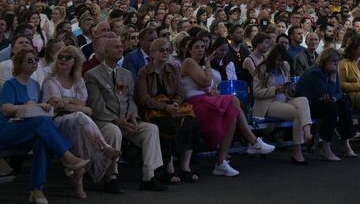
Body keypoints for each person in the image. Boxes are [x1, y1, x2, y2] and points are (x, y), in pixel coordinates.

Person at [0, 48, 92, 204]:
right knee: (43, 122)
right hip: (4, 130)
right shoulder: (10, 85)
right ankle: (67, 157)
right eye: (30, 60)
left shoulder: (36, 85)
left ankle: (37, 190)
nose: (35, 63)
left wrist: (41, 106)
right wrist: (27, 106)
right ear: (19, 63)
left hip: (28, 129)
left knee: (42, 141)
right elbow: (6, 110)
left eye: (36, 60)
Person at [174, 32, 274, 177]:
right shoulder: (189, 62)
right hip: (194, 105)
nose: (201, 49)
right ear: (189, 50)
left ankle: (221, 162)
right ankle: (252, 141)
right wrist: (208, 64)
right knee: (232, 101)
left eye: (202, 47)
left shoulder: (200, 67)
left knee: (232, 113)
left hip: (206, 101)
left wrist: (210, 85)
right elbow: (206, 82)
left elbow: (212, 89)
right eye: (196, 47)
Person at [83, 30, 171, 191]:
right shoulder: (92, 75)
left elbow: (131, 98)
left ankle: (148, 176)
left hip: (126, 119)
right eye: (116, 47)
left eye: (120, 47)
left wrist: (132, 115)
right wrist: (117, 120)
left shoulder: (126, 74)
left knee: (151, 129)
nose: (120, 49)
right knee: (114, 130)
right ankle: (111, 176)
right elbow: (96, 105)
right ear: (106, 51)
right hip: (105, 121)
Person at [42, 44, 115, 195]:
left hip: (77, 124)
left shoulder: (79, 80)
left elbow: (83, 103)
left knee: (80, 133)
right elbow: (57, 106)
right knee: (81, 116)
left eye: (67, 57)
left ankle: (78, 180)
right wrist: (80, 107)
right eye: (60, 57)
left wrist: (67, 100)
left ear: (75, 61)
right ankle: (103, 147)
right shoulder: (51, 80)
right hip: (56, 122)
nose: (63, 60)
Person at [134, 37, 198, 184]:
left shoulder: (173, 68)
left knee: (190, 121)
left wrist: (175, 104)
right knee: (166, 124)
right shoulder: (144, 72)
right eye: (161, 50)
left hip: (172, 107)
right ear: (152, 53)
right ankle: (168, 168)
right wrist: (165, 107)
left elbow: (180, 92)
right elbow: (143, 98)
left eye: (168, 50)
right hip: (154, 110)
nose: (165, 53)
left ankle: (185, 167)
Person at [252, 41, 314, 163]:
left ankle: (307, 134)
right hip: (268, 104)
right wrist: (275, 90)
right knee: (297, 113)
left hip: (284, 99)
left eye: (282, 60)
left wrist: (290, 89)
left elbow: (288, 89)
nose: (280, 63)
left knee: (303, 100)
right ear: (273, 58)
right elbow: (256, 93)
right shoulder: (261, 69)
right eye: (278, 60)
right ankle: (297, 151)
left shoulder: (285, 67)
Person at [294, 48, 358, 161]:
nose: (335, 64)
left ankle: (345, 142)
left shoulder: (332, 71)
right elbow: (325, 93)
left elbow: (338, 92)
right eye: (333, 61)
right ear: (325, 61)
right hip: (307, 104)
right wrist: (332, 82)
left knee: (343, 103)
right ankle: (325, 146)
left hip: (322, 101)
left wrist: (334, 98)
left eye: (337, 61)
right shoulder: (315, 73)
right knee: (332, 108)